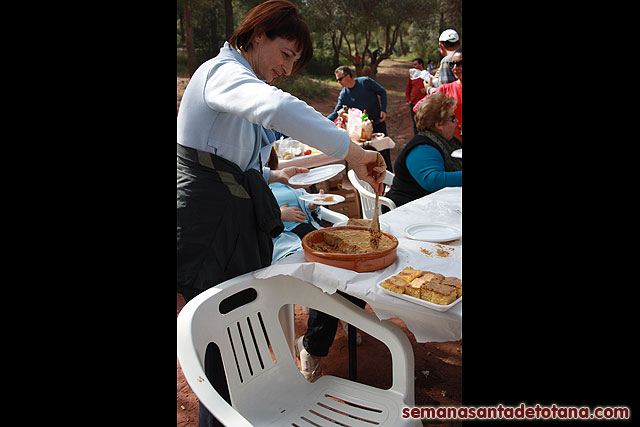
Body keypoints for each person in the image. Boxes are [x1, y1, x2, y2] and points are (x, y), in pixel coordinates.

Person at [176, 1, 386, 425]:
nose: (288, 69)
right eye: (286, 54)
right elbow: (278, 108)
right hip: (209, 225)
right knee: (222, 342)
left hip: (235, 222)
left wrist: (278, 174)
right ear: (257, 35)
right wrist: (352, 151)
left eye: (295, 60)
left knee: (243, 338)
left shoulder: (241, 80)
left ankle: (247, 413)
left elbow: (242, 159)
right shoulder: (222, 73)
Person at [265, 150, 367, 382]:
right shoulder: (248, 182)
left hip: (313, 234)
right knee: (325, 280)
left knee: (354, 264)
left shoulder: (283, 179)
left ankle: (348, 314)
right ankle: (312, 348)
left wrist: (312, 205)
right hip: (285, 243)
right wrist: (278, 214)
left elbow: (308, 204)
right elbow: (249, 217)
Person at [385, 92, 462, 208]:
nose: (456, 122)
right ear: (439, 124)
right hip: (407, 209)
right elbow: (433, 181)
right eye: (452, 118)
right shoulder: (422, 147)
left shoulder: (448, 142)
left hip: (433, 205)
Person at [327, 66, 393, 171]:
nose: (339, 82)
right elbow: (336, 113)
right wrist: (323, 122)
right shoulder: (344, 94)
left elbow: (382, 92)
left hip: (377, 124)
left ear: (348, 76)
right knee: (368, 161)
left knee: (384, 155)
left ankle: (390, 183)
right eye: (337, 80)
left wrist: (383, 110)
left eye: (340, 79)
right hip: (361, 134)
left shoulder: (365, 82)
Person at [414, 49, 462, 140]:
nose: (455, 68)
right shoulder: (445, 89)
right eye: (452, 64)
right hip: (455, 145)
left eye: (459, 63)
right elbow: (419, 108)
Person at [406, 57, 426, 135]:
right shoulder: (412, 76)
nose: (414, 66)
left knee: (425, 123)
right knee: (415, 123)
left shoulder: (427, 75)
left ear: (421, 64)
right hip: (414, 103)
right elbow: (408, 89)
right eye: (413, 65)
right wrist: (408, 100)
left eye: (415, 64)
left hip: (425, 104)